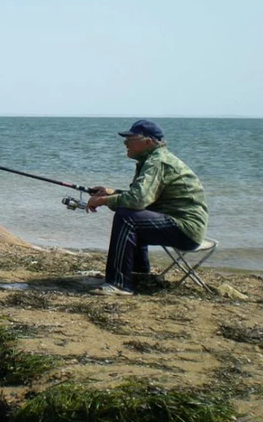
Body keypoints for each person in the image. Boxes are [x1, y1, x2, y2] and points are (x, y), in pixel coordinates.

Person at [85, 119, 208, 296]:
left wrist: (104, 200)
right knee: (133, 216)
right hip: (179, 225)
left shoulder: (157, 162)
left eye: (130, 138)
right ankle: (139, 276)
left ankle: (119, 284)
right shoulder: (153, 159)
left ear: (148, 142)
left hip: (186, 230)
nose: (125, 142)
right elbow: (144, 198)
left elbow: (138, 200)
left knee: (127, 217)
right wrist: (110, 193)